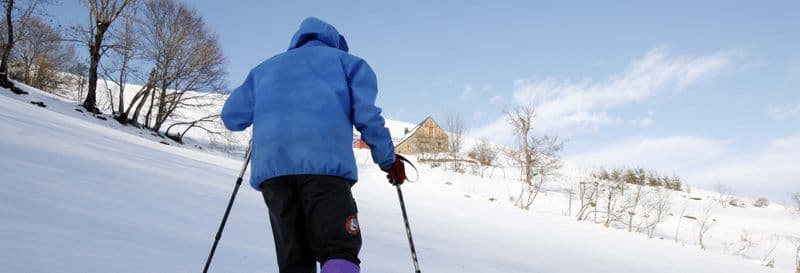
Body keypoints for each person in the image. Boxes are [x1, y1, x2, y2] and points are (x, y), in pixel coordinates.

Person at [221, 17, 407, 273]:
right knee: (338, 250)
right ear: (336, 44)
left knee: (294, 262)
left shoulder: (263, 70)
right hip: (325, 170)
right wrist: (388, 160)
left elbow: (231, 117)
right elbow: (367, 117)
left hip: (274, 174)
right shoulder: (347, 63)